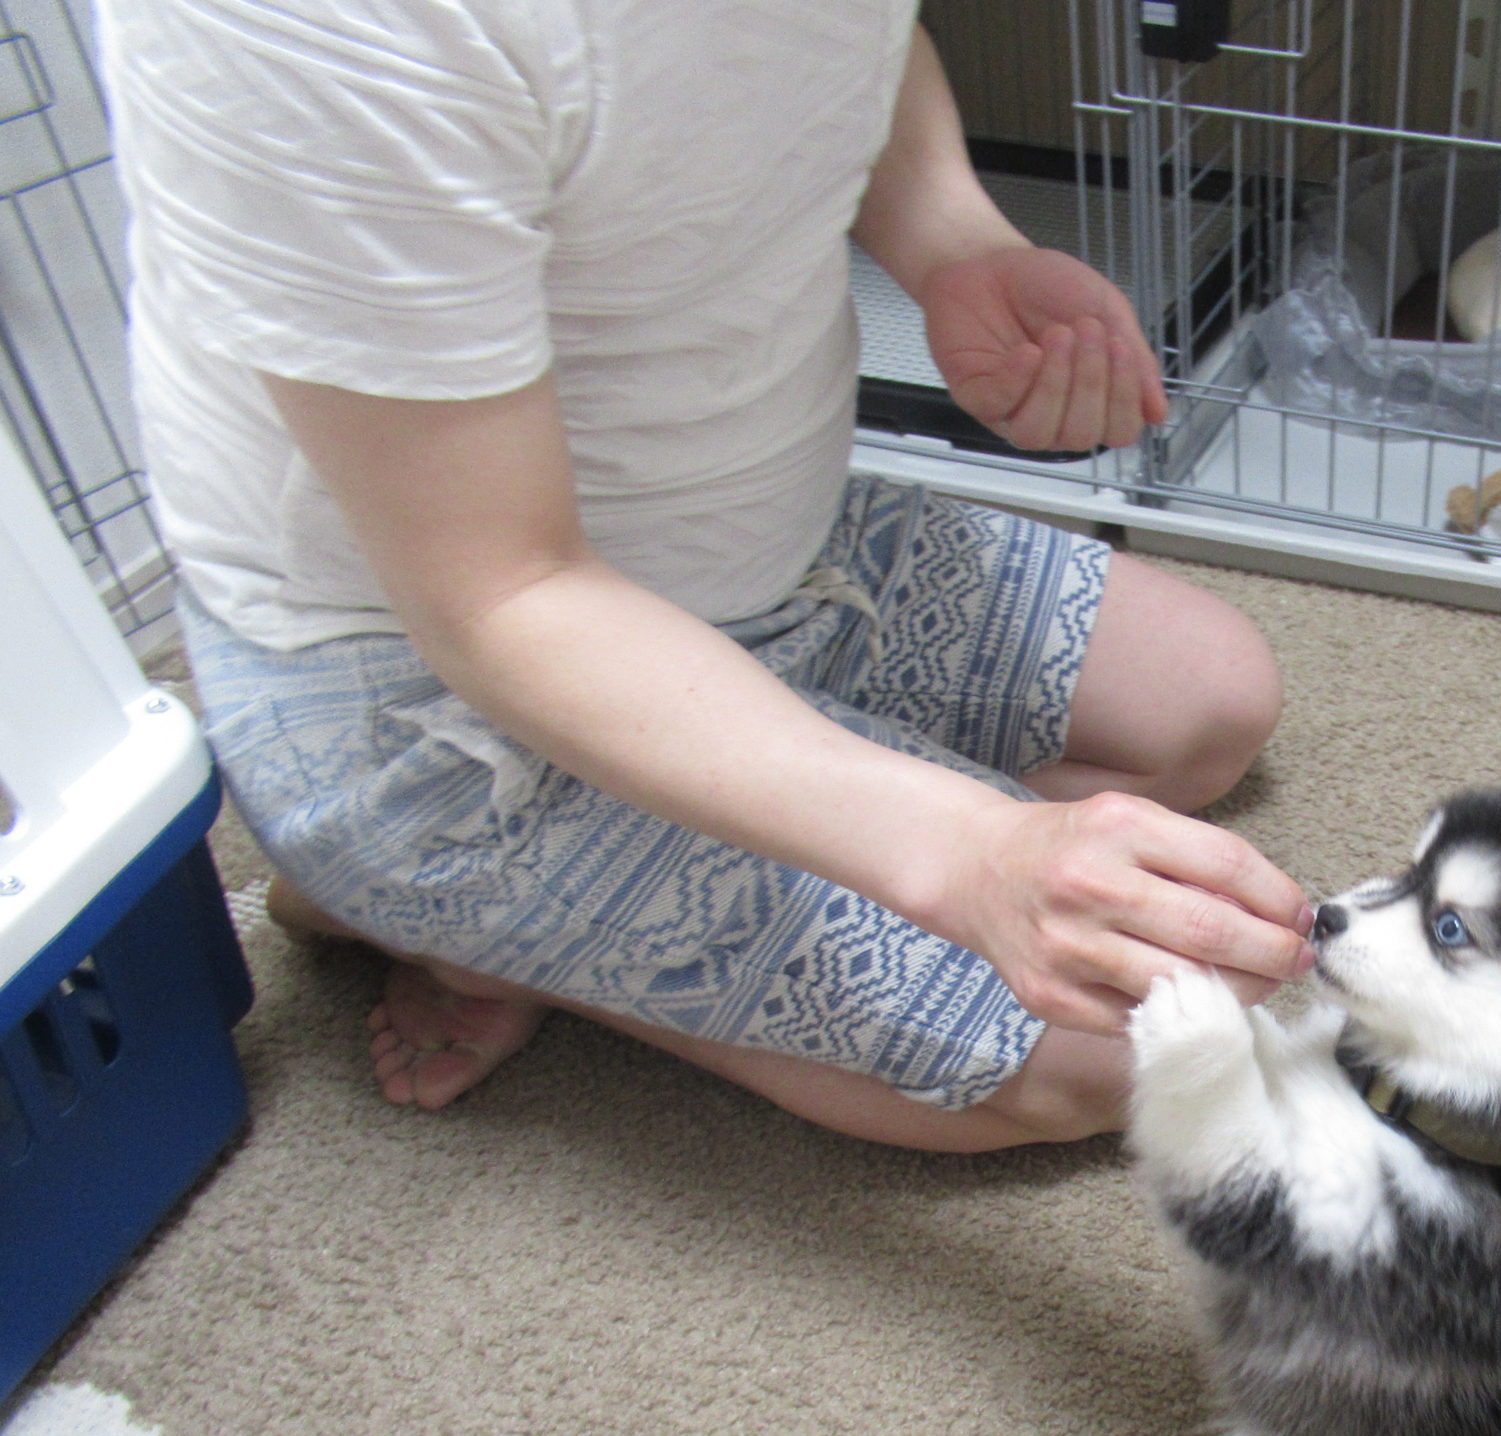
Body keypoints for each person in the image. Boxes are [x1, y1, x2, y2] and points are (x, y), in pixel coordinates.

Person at [99, 0, 1316, 1152]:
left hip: (763, 541)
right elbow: (502, 594)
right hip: (437, 678)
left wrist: (953, 242)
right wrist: (965, 851)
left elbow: (842, 43)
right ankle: (449, 914)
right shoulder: (325, 32)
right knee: (1129, 1044)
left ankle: (582, 897)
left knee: (1208, 700)